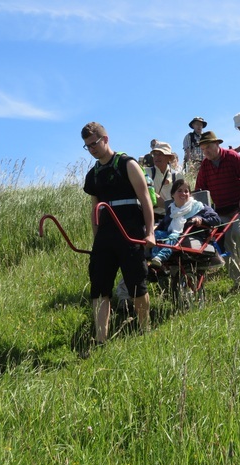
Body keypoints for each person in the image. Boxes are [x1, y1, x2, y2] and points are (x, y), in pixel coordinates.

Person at [81, 122, 156, 344]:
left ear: (105, 139)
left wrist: (150, 232)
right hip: (105, 236)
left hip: (130, 231)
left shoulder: (127, 164)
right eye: (87, 146)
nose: (92, 149)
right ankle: (100, 339)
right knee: (99, 286)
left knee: (137, 283)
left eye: (94, 143)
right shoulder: (92, 175)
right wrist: (96, 241)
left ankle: (145, 330)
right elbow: (95, 209)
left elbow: (145, 199)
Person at [196, 131, 240, 291]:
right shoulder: (205, 165)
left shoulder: (232, 157)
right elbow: (199, 191)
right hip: (221, 211)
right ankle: (238, 280)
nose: (206, 152)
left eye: (208, 147)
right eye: (203, 149)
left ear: (217, 144)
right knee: (224, 244)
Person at [150, 178, 221, 267]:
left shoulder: (198, 206)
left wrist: (201, 219)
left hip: (190, 235)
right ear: (173, 194)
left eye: (186, 191)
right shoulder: (171, 209)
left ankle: (161, 257)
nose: (183, 194)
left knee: (174, 235)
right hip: (171, 235)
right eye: (179, 191)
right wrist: (152, 231)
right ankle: (155, 261)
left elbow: (216, 219)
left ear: (190, 194)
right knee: (157, 234)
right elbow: (163, 225)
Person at [145, 141, 183, 221]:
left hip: (173, 218)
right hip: (152, 218)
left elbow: (183, 199)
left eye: (160, 154)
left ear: (168, 158)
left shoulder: (177, 176)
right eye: (155, 154)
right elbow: (145, 192)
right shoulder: (147, 172)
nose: (156, 157)